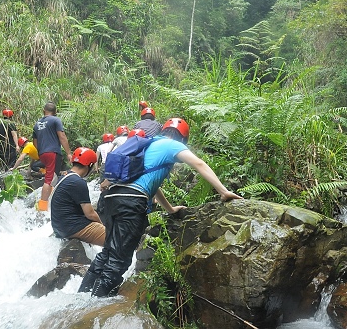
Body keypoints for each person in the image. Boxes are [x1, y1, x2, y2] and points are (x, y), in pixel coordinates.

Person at [79, 117, 242, 296]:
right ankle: (93, 306)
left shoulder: (148, 143)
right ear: (182, 138)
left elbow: (152, 187)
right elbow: (199, 164)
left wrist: (170, 209)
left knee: (108, 252)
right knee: (118, 261)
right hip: (131, 203)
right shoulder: (172, 145)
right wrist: (223, 191)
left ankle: (82, 296)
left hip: (110, 199)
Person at [50, 147, 106, 247]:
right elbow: (90, 214)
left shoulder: (65, 177)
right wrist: (101, 225)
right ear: (89, 165)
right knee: (114, 238)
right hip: (73, 227)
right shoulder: (78, 182)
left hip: (59, 227)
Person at [32, 102, 73, 211]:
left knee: (52, 177)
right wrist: (69, 153)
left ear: (43, 110)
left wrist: (41, 152)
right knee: (49, 179)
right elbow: (62, 136)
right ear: (55, 112)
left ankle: (51, 204)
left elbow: (35, 142)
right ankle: (42, 208)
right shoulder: (55, 120)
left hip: (43, 153)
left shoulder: (37, 124)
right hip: (52, 152)